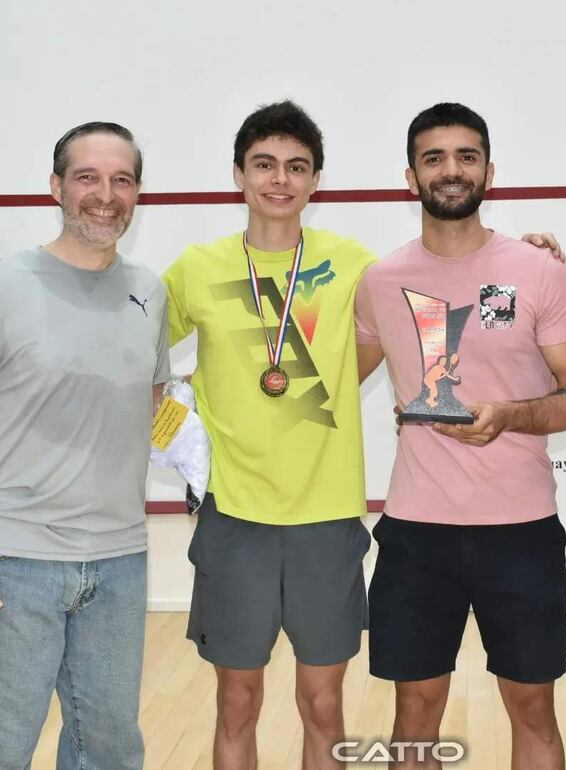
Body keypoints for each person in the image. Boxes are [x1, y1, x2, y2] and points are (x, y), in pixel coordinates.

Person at [355, 102, 566, 770]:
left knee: (533, 711)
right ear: (411, 177)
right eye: (434, 157)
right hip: (415, 532)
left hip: (520, 531)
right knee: (414, 715)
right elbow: (331, 382)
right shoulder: (379, 280)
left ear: (489, 170)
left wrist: (512, 416)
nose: (451, 170)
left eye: (465, 156)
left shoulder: (538, 270)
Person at [162, 101, 377, 770]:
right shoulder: (197, 267)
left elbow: (446, 286)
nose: (279, 180)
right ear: (238, 175)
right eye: (264, 165)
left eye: (296, 167)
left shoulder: (356, 266)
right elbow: (124, 338)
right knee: (236, 701)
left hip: (326, 515)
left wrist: (533, 248)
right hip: (234, 517)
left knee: (323, 706)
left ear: (315, 181)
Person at [0, 122, 169, 770]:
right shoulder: (10, 283)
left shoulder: (149, 292)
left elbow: (156, 402)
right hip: (19, 560)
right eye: (88, 177)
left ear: (137, 194)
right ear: (56, 187)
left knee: (109, 751)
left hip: (120, 563)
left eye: (122, 180)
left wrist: (201, 461)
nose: (106, 194)